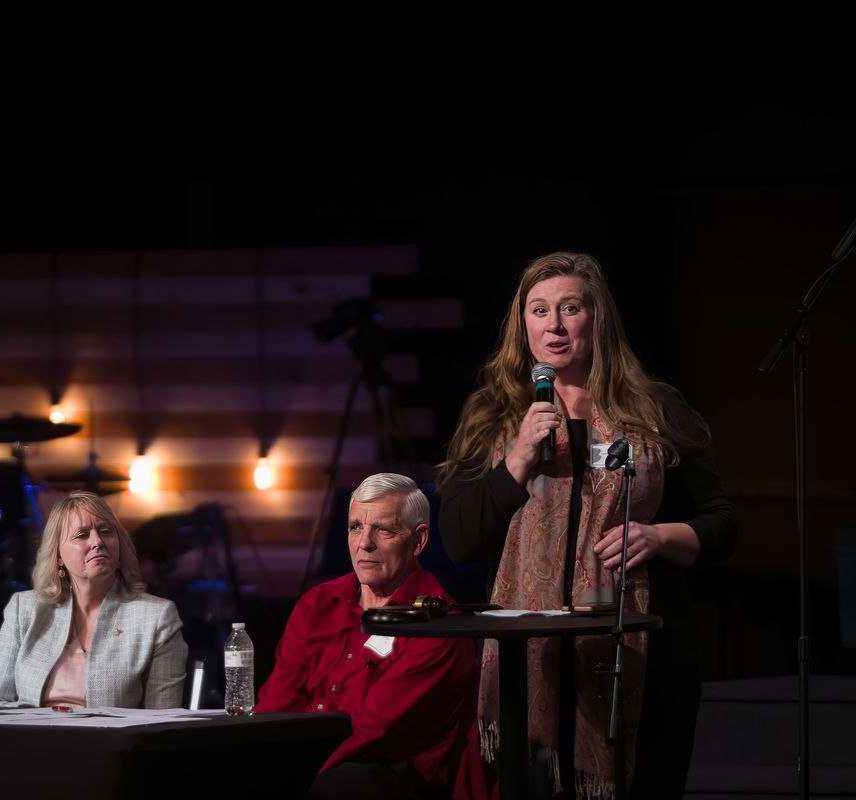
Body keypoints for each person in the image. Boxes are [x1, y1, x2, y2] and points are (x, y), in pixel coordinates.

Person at [437, 252, 736, 799]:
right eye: (539, 310)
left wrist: (661, 535)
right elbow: (458, 538)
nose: (553, 325)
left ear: (597, 320)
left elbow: (722, 524)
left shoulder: (656, 409)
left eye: (569, 308)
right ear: (520, 323)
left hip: (643, 663)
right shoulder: (494, 416)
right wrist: (519, 459)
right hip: (532, 671)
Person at [256, 473, 485, 800]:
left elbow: (375, 730)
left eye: (384, 529)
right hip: (307, 762)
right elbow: (278, 701)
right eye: (355, 527)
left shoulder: (441, 625)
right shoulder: (316, 604)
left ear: (419, 541)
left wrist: (291, 776)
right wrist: (258, 763)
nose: (365, 543)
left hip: (387, 772)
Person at [0, 491, 187, 708]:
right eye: (82, 535)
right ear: (58, 556)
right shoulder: (24, 609)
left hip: (111, 741)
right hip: (32, 740)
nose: (97, 542)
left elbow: (163, 720)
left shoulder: (157, 617)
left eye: (106, 532)